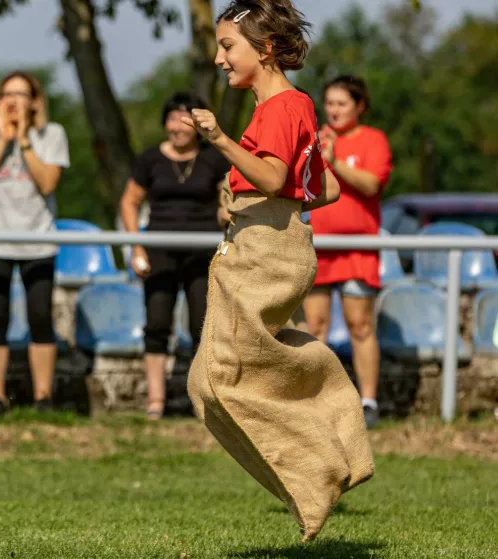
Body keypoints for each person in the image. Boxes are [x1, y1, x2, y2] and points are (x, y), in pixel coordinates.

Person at [180, 0, 373, 542]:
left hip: (264, 252)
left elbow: (270, 176)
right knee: (220, 378)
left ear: (264, 49)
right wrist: (258, 204)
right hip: (272, 242)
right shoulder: (294, 106)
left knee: (214, 380)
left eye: (227, 46)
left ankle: (319, 474)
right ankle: (337, 439)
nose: (219, 58)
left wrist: (220, 142)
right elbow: (326, 187)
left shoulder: (280, 107)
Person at [120, 91, 231, 420]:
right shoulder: (150, 159)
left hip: (203, 252)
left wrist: (226, 217)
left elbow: (227, 199)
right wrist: (136, 247)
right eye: (172, 119)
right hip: (160, 250)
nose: (178, 127)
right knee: (157, 323)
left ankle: (202, 401)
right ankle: (155, 401)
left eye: (185, 120)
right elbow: (130, 201)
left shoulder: (213, 159)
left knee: (202, 325)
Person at [0, 70, 70, 417]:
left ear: (35, 102)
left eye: (21, 94)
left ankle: (43, 397)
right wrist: (2, 139)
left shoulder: (52, 134)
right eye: (7, 94)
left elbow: (48, 183)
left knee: (40, 315)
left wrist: (23, 138)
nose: (13, 101)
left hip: (38, 238)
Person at [302, 75, 393, 429]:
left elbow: (372, 184)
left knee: (360, 325)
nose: (334, 110)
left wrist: (335, 162)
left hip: (358, 248)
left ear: (359, 106)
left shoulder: (373, 139)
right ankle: (314, 400)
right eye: (329, 103)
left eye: (342, 103)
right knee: (314, 326)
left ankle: (368, 401)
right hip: (319, 246)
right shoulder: (314, 139)